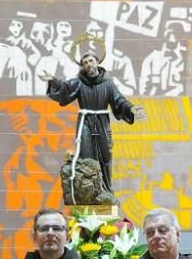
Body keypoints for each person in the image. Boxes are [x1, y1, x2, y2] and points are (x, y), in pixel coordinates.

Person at [40, 39, 146, 197]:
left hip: (102, 122)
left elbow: (119, 100)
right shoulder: (79, 83)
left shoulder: (108, 83)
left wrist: (131, 108)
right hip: (85, 123)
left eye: (90, 60)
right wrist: (52, 80)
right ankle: (89, 192)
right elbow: (64, 89)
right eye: (84, 62)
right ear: (82, 66)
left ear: (97, 62)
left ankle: (106, 190)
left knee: (105, 154)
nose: (88, 64)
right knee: (86, 155)